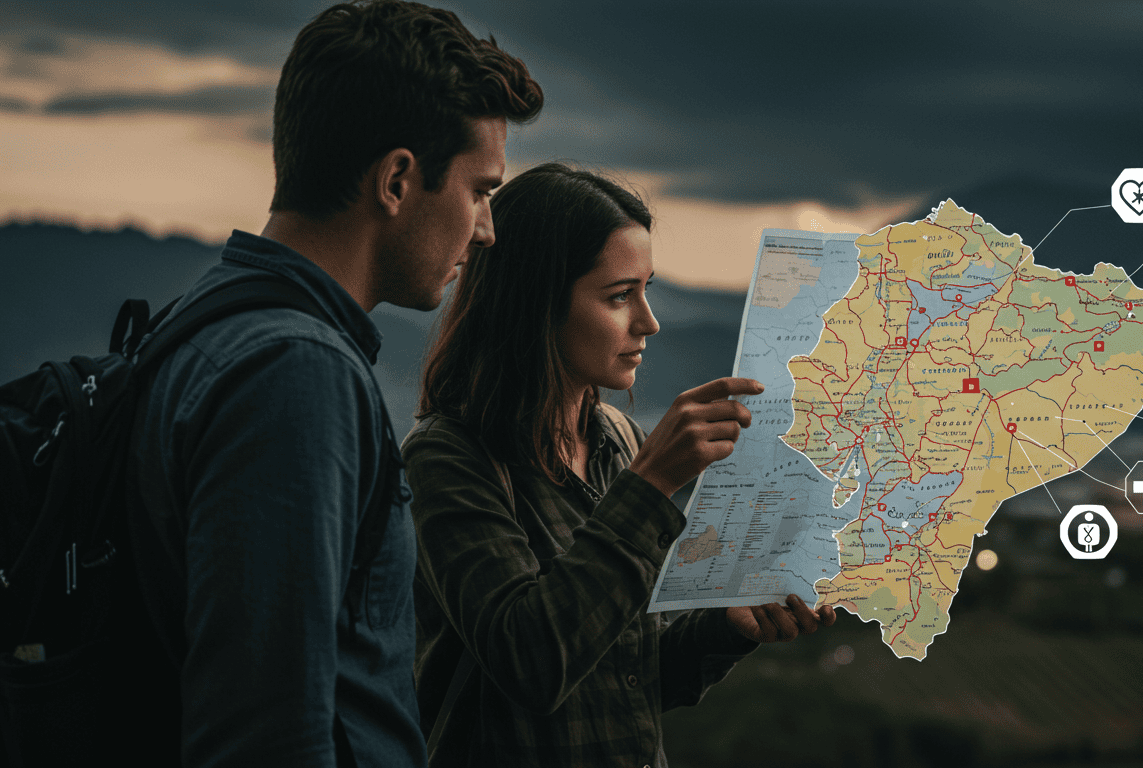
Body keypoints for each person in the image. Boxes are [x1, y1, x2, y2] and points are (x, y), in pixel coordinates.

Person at [125, 1, 542, 764]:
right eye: (481, 192)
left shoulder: (205, 320)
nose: (486, 229)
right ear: (396, 180)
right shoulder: (294, 377)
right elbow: (265, 732)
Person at [404, 162, 837, 767]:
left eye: (647, 289)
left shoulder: (616, 439)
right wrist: (653, 482)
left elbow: (629, 679)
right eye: (618, 296)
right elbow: (532, 662)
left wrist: (726, 628)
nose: (649, 322)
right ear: (536, 303)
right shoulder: (448, 458)